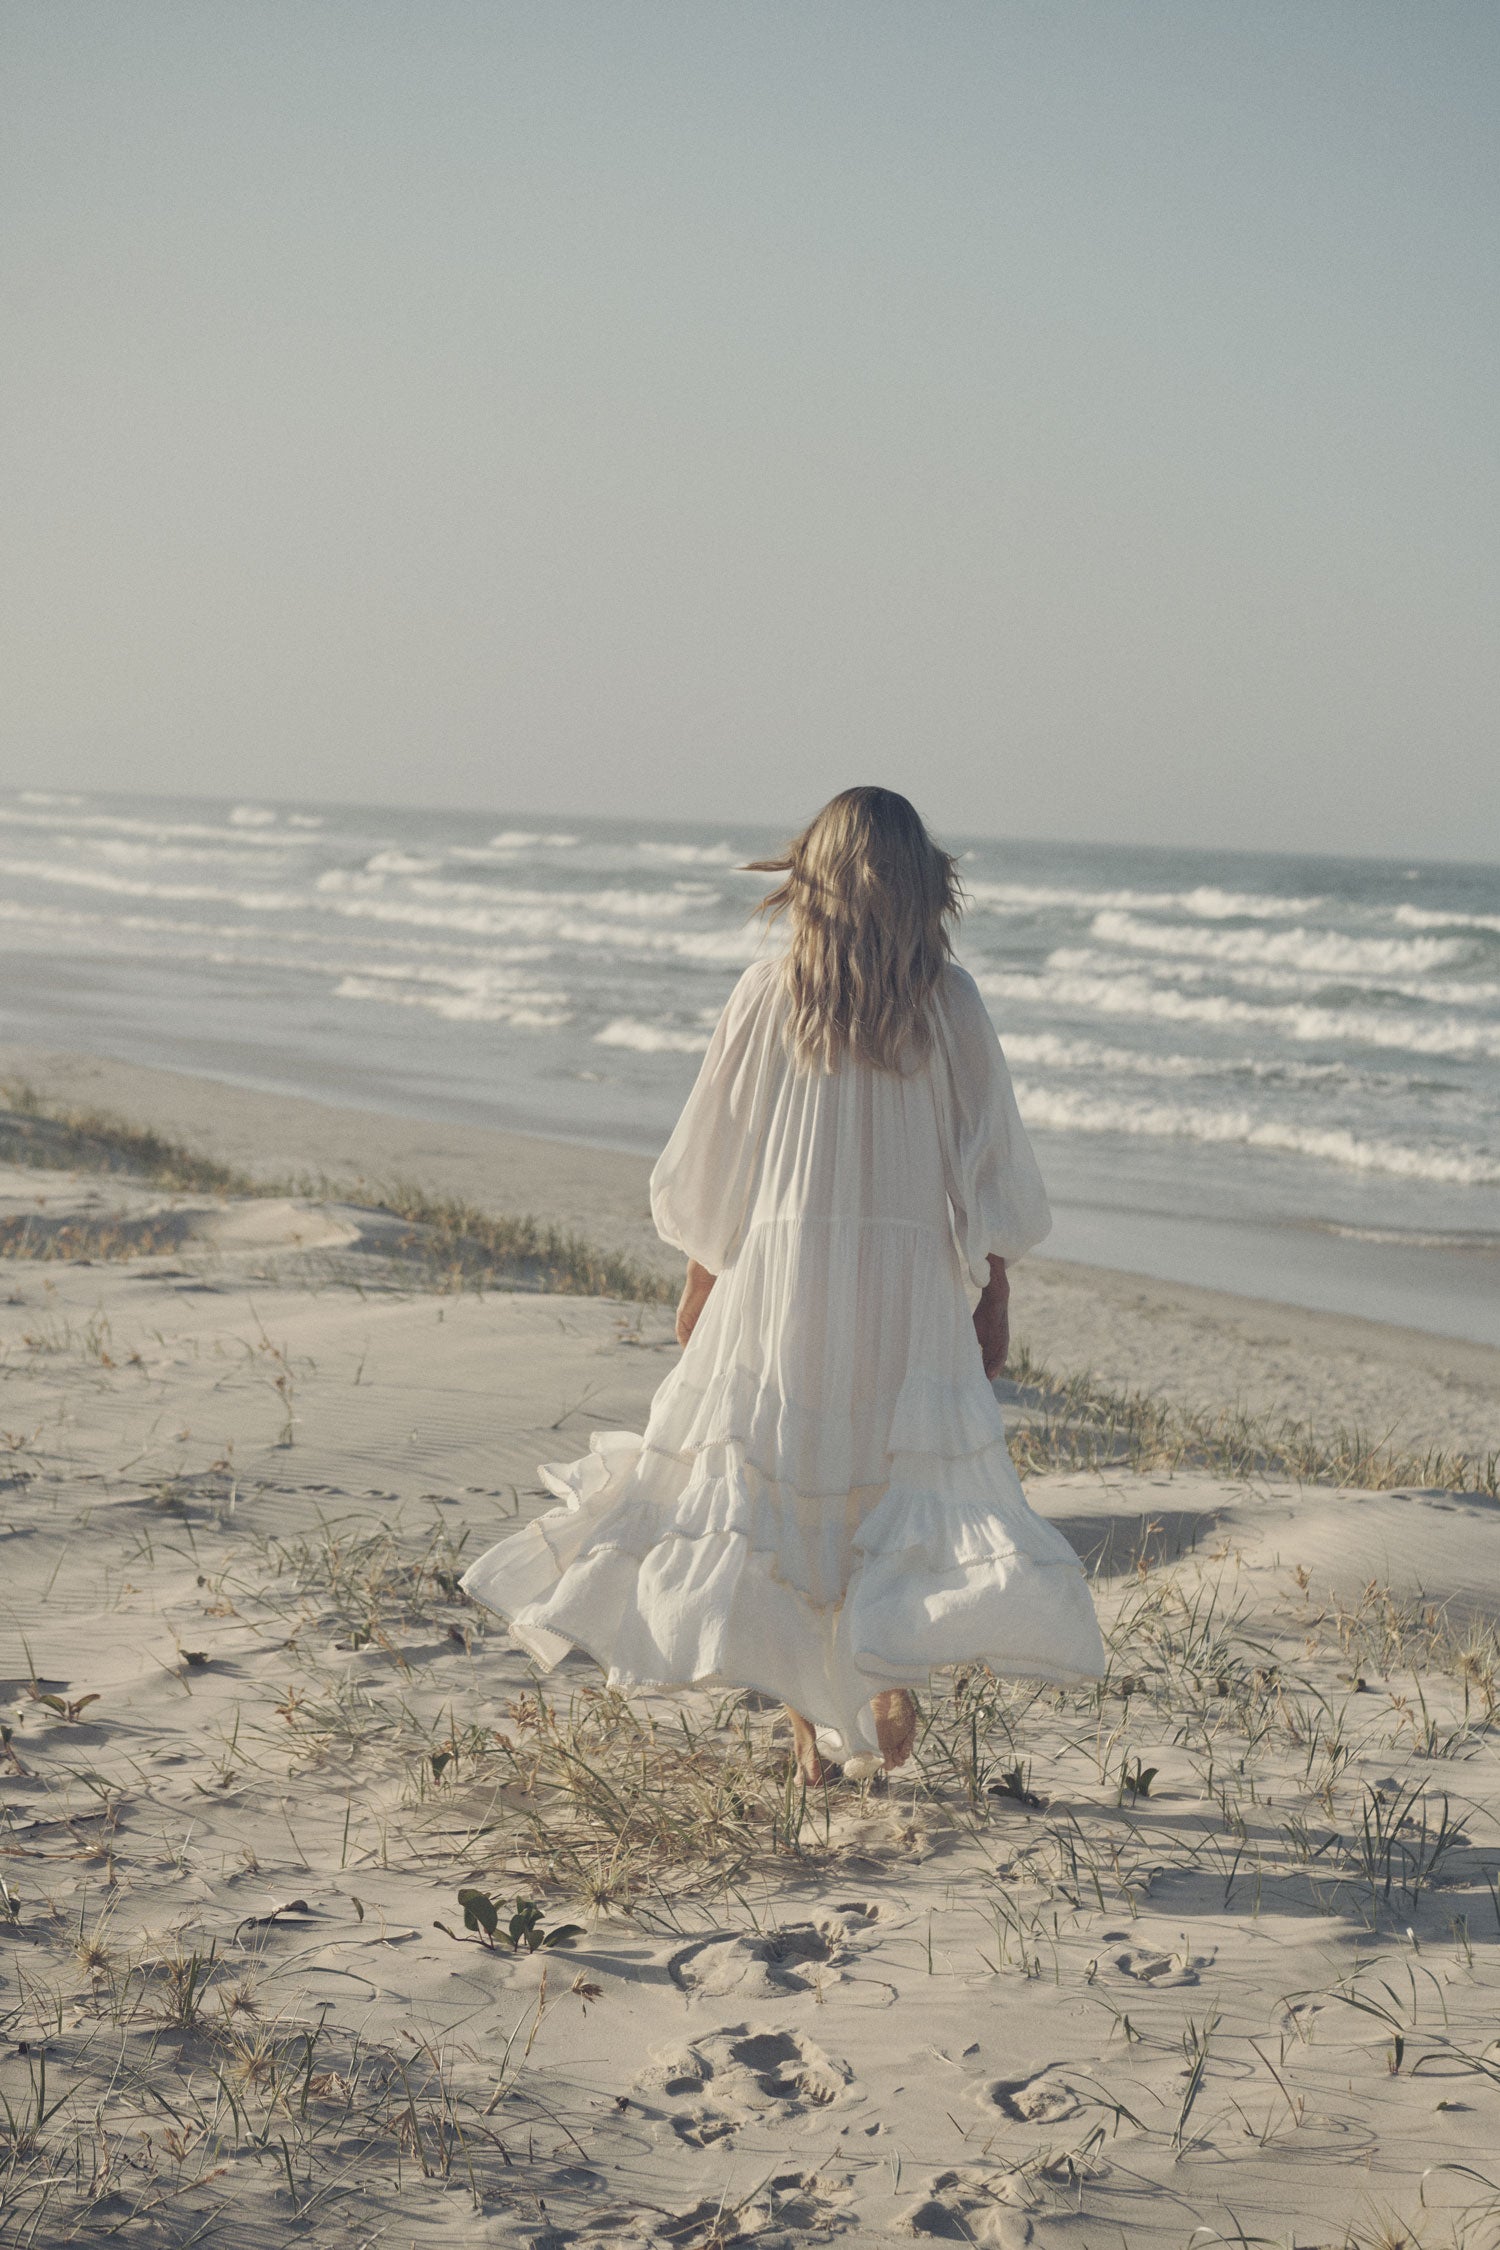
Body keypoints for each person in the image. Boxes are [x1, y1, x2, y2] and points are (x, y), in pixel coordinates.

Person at [461, 788, 1105, 1782]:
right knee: (894, 1483)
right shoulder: (951, 1002)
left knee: (793, 1486)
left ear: (812, 880)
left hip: (784, 1279)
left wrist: (703, 1275)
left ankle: (809, 1728)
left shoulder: (770, 995)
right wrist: (993, 1289)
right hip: (908, 1291)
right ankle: (883, 1679)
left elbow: (718, 1156)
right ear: (922, 885)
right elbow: (988, 1166)